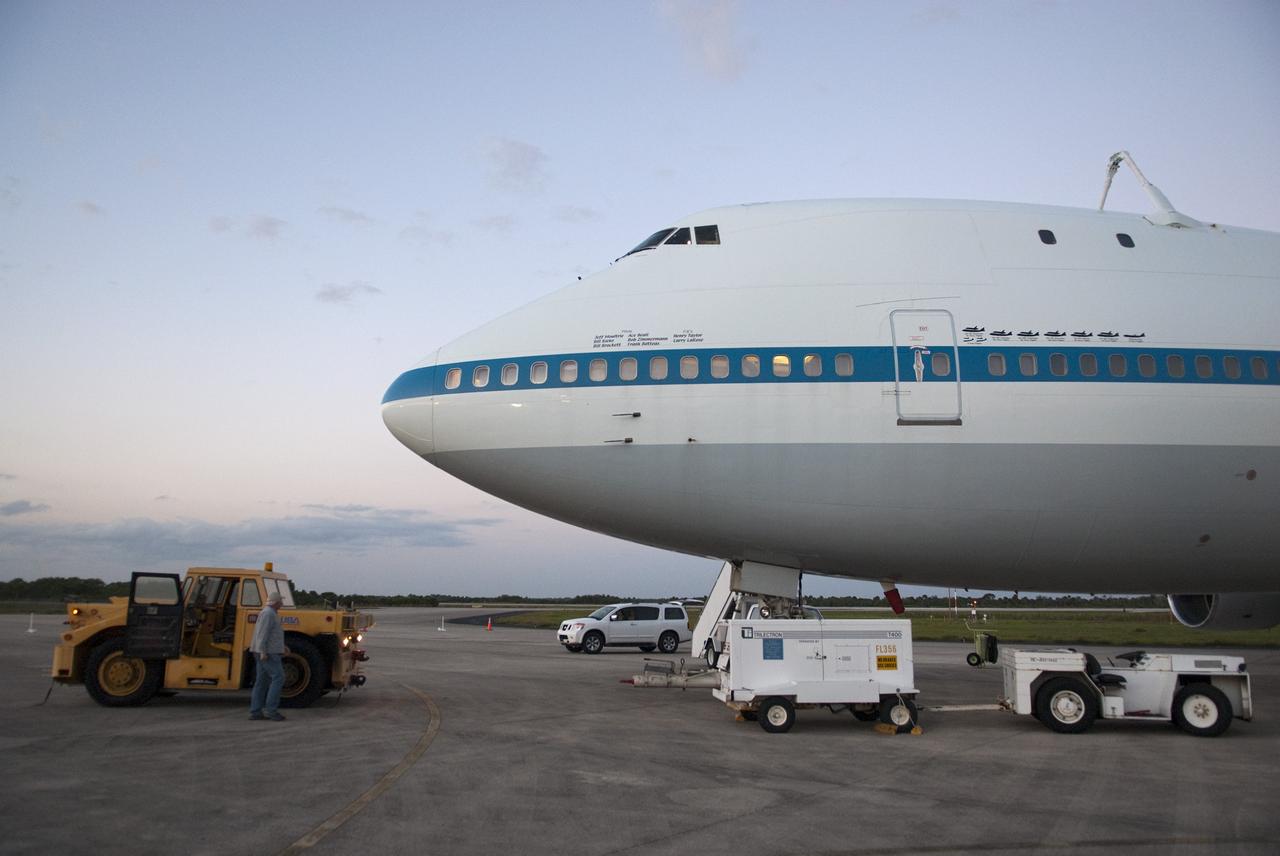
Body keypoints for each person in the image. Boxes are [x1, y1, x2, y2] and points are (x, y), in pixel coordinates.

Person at [249, 591, 291, 721]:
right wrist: (263, 652)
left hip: (265, 651)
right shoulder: (268, 614)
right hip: (268, 653)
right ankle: (271, 711)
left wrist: (282, 647)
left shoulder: (269, 613)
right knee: (278, 677)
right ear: (276, 602)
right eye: (280, 601)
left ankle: (256, 711)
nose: (282, 603)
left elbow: (270, 634)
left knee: (262, 681)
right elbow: (262, 634)